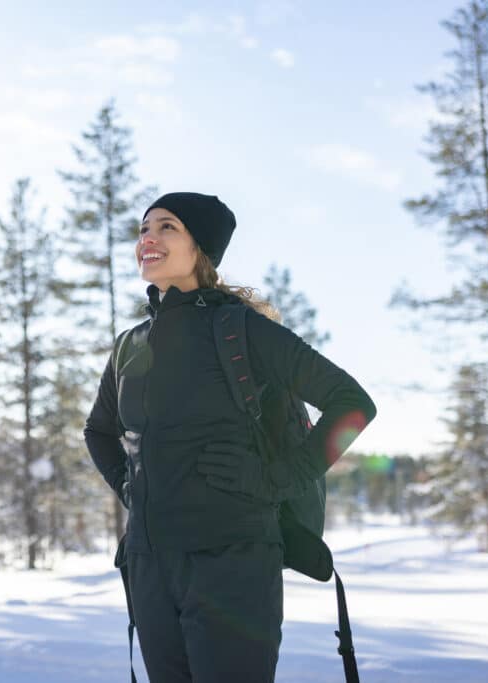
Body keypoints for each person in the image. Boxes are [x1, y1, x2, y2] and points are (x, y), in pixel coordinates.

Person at [83, 192, 377, 683]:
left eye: (167, 227)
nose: (147, 239)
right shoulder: (130, 346)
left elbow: (352, 404)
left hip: (233, 563)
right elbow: (99, 431)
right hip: (150, 566)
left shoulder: (242, 331)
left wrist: (276, 479)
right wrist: (132, 488)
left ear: (202, 246)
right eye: (143, 229)